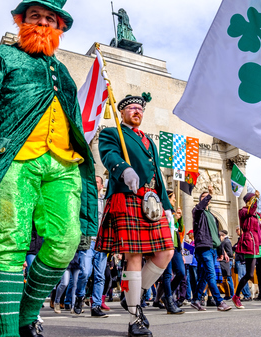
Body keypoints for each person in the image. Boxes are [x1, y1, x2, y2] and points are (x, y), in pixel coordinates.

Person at [0, 1, 98, 335]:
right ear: (21, 21)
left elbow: (74, 119)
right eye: (35, 16)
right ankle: (8, 333)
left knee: (67, 240)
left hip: (64, 163)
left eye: (51, 19)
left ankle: (27, 315)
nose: (42, 24)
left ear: (59, 28)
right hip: (15, 159)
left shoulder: (62, 72)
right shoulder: (0, 56)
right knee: (11, 241)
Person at [95, 93, 175, 337]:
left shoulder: (149, 140)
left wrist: (167, 206)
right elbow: (109, 156)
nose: (136, 111)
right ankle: (134, 317)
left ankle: (134, 294)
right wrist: (124, 169)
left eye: (139, 108)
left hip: (152, 200)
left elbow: (158, 174)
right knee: (134, 256)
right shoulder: (113, 132)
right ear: (122, 112)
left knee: (166, 252)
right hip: (128, 195)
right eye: (130, 108)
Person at [189, 185, 232, 313]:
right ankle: (219, 301)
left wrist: (220, 251)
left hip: (213, 249)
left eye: (206, 198)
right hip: (204, 248)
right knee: (211, 275)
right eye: (203, 197)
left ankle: (196, 300)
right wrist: (209, 195)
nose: (205, 199)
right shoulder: (197, 211)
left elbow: (215, 235)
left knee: (203, 276)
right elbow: (200, 206)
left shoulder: (212, 216)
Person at [73, 176, 108, 318]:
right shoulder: (84, 200)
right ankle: (80, 296)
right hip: (88, 241)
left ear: (101, 186)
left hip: (102, 243)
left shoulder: (106, 201)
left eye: (97, 181)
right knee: (85, 272)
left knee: (100, 276)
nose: (94, 183)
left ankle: (96, 306)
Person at [155, 190, 185, 314]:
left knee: (181, 273)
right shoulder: (163, 210)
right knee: (167, 275)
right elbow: (162, 225)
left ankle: (167, 295)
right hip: (166, 245)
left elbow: (181, 229)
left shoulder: (173, 211)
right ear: (168, 198)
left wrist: (179, 217)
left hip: (176, 246)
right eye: (173, 198)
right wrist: (173, 217)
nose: (175, 200)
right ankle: (169, 300)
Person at [217, 230, 234, 301]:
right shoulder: (223, 242)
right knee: (226, 279)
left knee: (228, 279)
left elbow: (230, 253)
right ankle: (229, 294)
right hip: (224, 262)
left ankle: (231, 294)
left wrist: (224, 255)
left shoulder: (226, 242)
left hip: (226, 262)